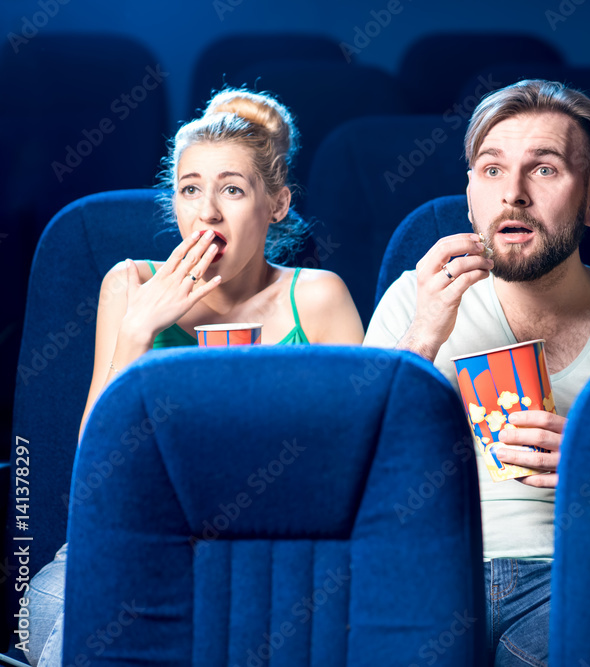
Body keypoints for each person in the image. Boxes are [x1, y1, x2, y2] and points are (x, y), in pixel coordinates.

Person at [23, 89, 365, 666]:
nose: (207, 212)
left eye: (232, 189)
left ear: (277, 204)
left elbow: (360, 461)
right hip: (127, 539)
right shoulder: (130, 283)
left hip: (268, 550)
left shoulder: (318, 295)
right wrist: (139, 332)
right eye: (189, 189)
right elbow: (93, 468)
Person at [363, 79, 590, 666]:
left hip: (572, 577)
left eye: (545, 170)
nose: (513, 194)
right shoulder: (416, 300)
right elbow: (352, 468)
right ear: (469, 197)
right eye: (491, 171)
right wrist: (425, 333)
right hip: (422, 570)